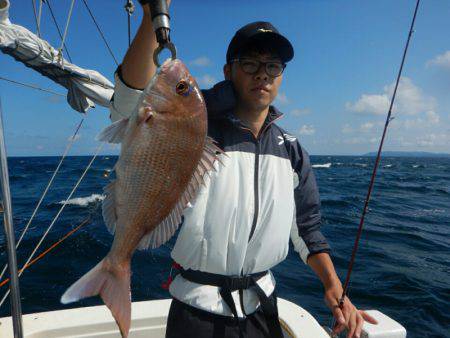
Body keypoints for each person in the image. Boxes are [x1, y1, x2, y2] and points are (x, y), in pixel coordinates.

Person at [109, 2, 377, 338]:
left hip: (263, 307)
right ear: (227, 71)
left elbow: (308, 229)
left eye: (273, 66)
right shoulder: (191, 127)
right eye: (250, 64)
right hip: (196, 309)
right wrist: (152, 17)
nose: (262, 74)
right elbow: (128, 99)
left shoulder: (292, 150)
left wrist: (335, 290)